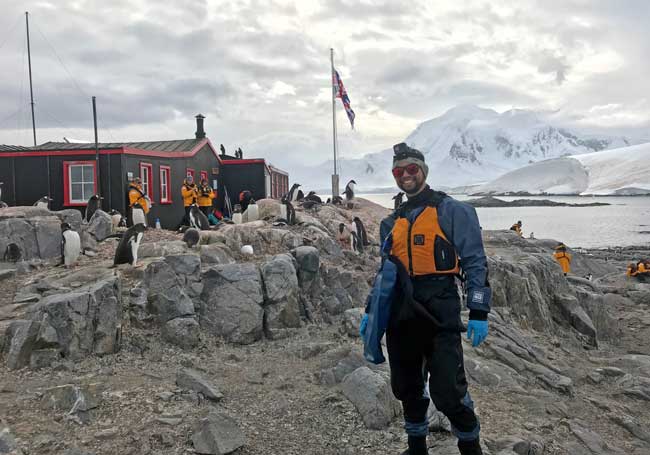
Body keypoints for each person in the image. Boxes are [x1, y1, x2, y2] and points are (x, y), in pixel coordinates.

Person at [362, 143, 490, 455]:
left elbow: (475, 262)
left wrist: (478, 311)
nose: (405, 175)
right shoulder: (390, 223)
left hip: (440, 307)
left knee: (448, 393)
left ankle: (470, 448)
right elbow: (385, 273)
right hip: (401, 310)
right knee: (406, 386)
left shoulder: (452, 211)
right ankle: (416, 447)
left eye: (411, 169)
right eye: (398, 171)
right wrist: (370, 309)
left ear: (423, 171)